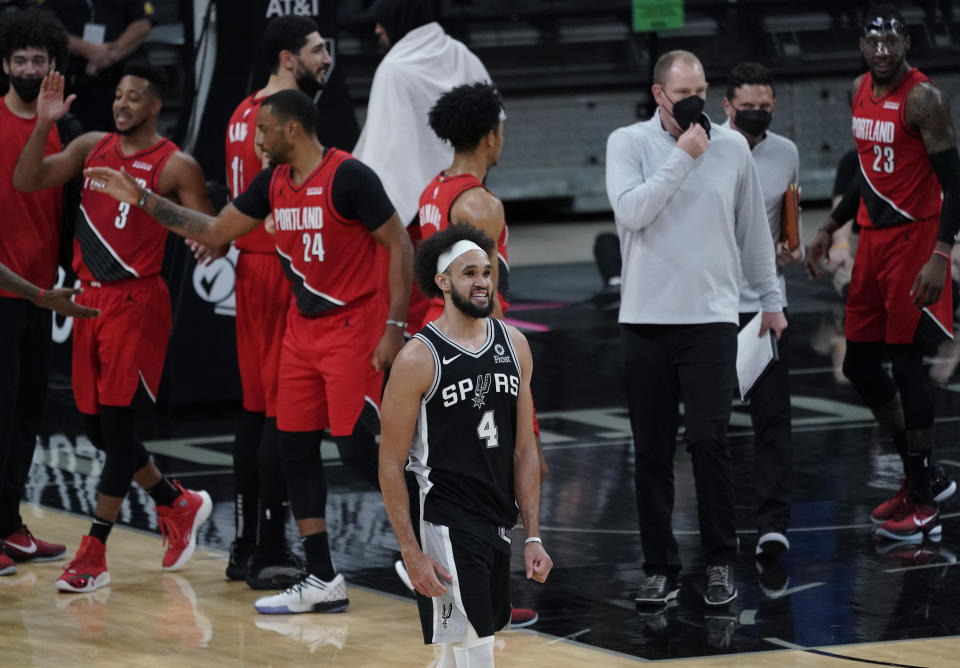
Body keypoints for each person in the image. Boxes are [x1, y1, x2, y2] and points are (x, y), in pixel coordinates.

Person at [83, 88, 414, 613]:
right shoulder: (272, 183)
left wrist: (394, 325)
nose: (255, 140)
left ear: (292, 130)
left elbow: (400, 243)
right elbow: (214, 230)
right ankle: (324, 577)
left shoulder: (349, 176)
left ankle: (433, 532)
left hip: (354, 326)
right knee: (294, 449)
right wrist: (143, 199)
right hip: (301, 331)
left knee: (355, 448)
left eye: (263, 130)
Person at [14, 63, 215, 592]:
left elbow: (213, 234)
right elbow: (26, 179)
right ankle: (176, 502)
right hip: (89, 301)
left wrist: (148, 202)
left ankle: (94, 553)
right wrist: (41, 126)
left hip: (137, 300)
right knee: (100, 431)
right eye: (119, 96)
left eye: (133, 98)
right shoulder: (90, 148)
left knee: (120, 428)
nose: (121, 104)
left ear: (155, 107)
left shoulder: (176, 164)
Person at [605, 49, 786, 608]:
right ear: (659, 94)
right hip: (645, 320)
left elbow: (754, 232)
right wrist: (682, 155)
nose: (695, 102)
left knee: (710, 443)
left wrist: (772, 302)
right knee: (652, 452)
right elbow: (632, 211)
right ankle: (659, 566)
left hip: (711, 320)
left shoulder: (731, 148)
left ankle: (719, 562)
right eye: (684, 92)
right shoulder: (628, 143)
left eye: (702, 91)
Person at [805, 3, 959, 543]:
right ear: (862, 46)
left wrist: (941, 254)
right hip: (871, 237)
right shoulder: (857, 91)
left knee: (908, 364)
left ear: (907, 44)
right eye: (874, 42)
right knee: (863, 367)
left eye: (893, 41)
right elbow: (869, 174)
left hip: (914, 242)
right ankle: (922, 479)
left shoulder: (925, 100)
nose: (883, 51)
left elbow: (955, 184)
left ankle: (922, 501)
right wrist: (830, 226)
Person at [379, 223, 552, 667]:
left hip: (496, 519)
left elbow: (525, 449)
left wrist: (531, 535)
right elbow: (390, 462)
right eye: (469, 272)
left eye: (487, 272)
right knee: (478, 649)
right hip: (444, 520)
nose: (481, 282)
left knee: (457, 652)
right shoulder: (418, 358)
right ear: (442, 282)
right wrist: (410, 552)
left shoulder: (514, 345)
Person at [412, 81, 545, 628]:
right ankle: (483, 583)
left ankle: (463, 579)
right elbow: (480, 286)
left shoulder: (431, 190)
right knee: (513, 453)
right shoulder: (480, 203)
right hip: (473, 342)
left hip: (434, 335)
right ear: (492, 134)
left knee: (453, 466)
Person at [221, 15, 333, 589]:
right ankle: (269, 546)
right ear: (288, 59)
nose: (325, 58)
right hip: (282, 268)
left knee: (254, 409)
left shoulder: (241, 113)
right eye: (317, 50)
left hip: (251, 266)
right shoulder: (287, 122)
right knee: (281, 415)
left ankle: (245, 545)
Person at [352, 0, 492, 332]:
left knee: (423, 314)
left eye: (381, 21)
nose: (376, 29)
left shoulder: (394, 68)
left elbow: (381, 156)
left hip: (417, 219)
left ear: (398, 18)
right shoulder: (464, 55)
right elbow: (496, 121)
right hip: (467, 200)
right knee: (476, 297)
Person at [0, 7, 81, 576]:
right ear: (5, 64)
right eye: (21, 59)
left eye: (40, 60)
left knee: (27, 416)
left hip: (41, 298)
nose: (30, 68)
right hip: (7, 294)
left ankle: (9, 528)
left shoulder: (66, 129)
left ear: (55, 67)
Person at [720, 61, 801, 558]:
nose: (756, 115)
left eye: (764, 108)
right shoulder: (705, 150)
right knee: (708, 427)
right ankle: (718, 525)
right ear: (727, 106)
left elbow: (790, 219)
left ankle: (773, 523)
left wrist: (792, 251)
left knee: (772, 419)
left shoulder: (786, 153)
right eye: (746, 108)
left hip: (764, 303)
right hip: (710, 306)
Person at [38, 0, 154, 131]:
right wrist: (88, 50)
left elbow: (142, 25)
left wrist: (109, 56)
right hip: (77, 84)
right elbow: (47, 28)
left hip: (124, 78)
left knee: (130, 142)